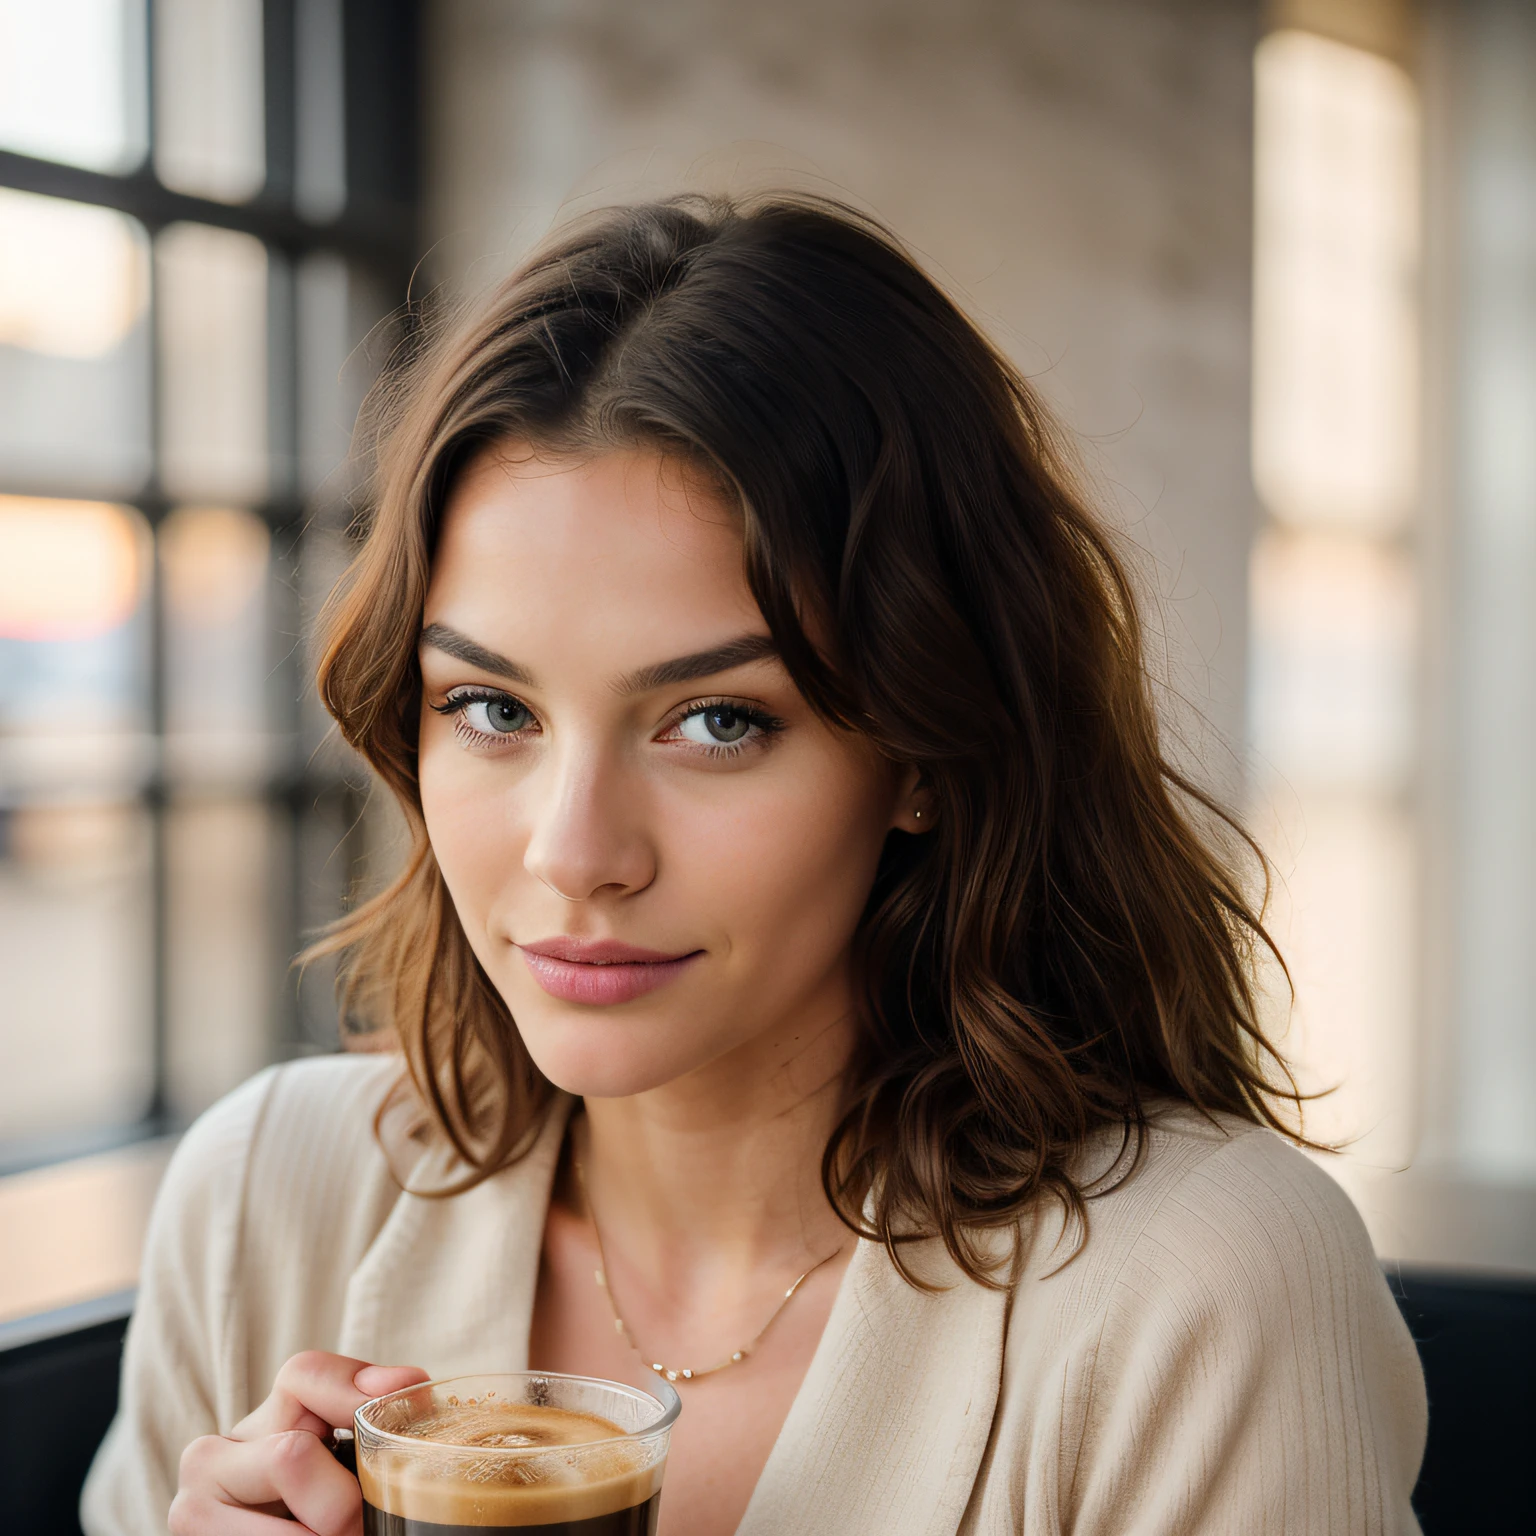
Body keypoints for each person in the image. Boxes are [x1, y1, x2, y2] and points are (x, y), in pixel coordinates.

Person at [82, 194, 1426, 1536]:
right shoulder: (267, 1200)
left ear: (921, 754)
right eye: (495, 710)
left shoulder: (1202, 1291)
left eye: (719, 722)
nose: (575, 854)